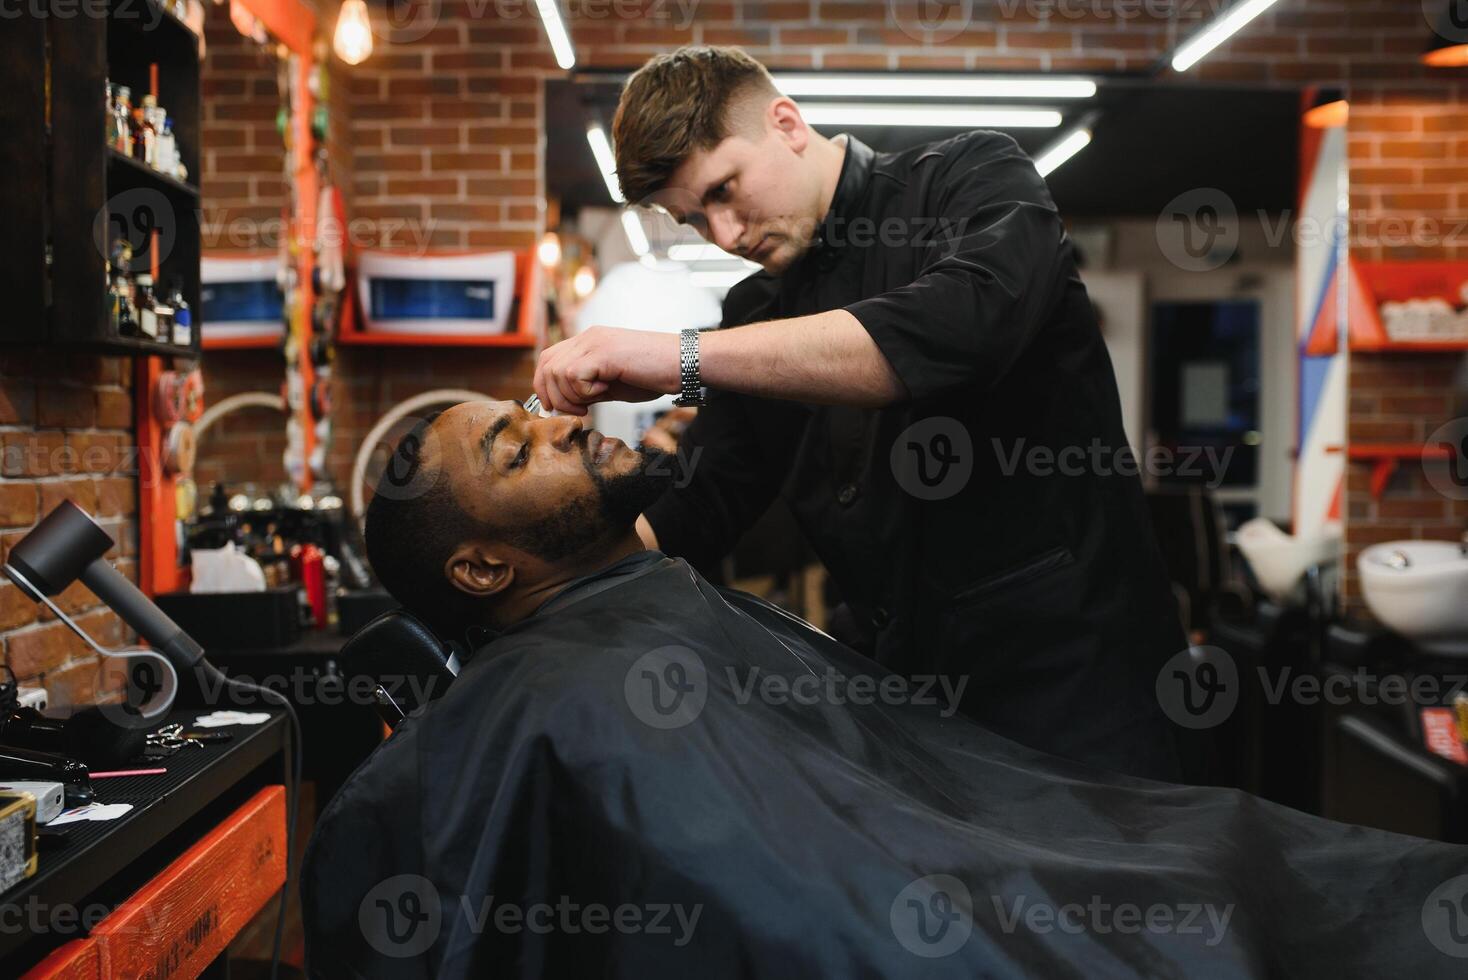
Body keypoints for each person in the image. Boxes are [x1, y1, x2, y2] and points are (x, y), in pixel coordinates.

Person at [301, 403, 1468, 979]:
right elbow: (810, 905)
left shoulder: (635, 606)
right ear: (481, 567)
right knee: (1249, 895)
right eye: (519, 449)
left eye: (528, 409)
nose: (560, 421)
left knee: (1257, 855)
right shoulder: (576, 699)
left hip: (1049, 845)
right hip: (1012, 908)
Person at [530, 47, 1188, 781]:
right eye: (693, 219)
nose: (725, 235)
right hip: (906, 693)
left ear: (785, 123)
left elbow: (957, 329)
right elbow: (704, 500)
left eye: (725, 191)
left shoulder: (968, 180)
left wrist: (683, 358)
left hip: (1074, 680)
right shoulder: (754, 310)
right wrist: (542, 586)